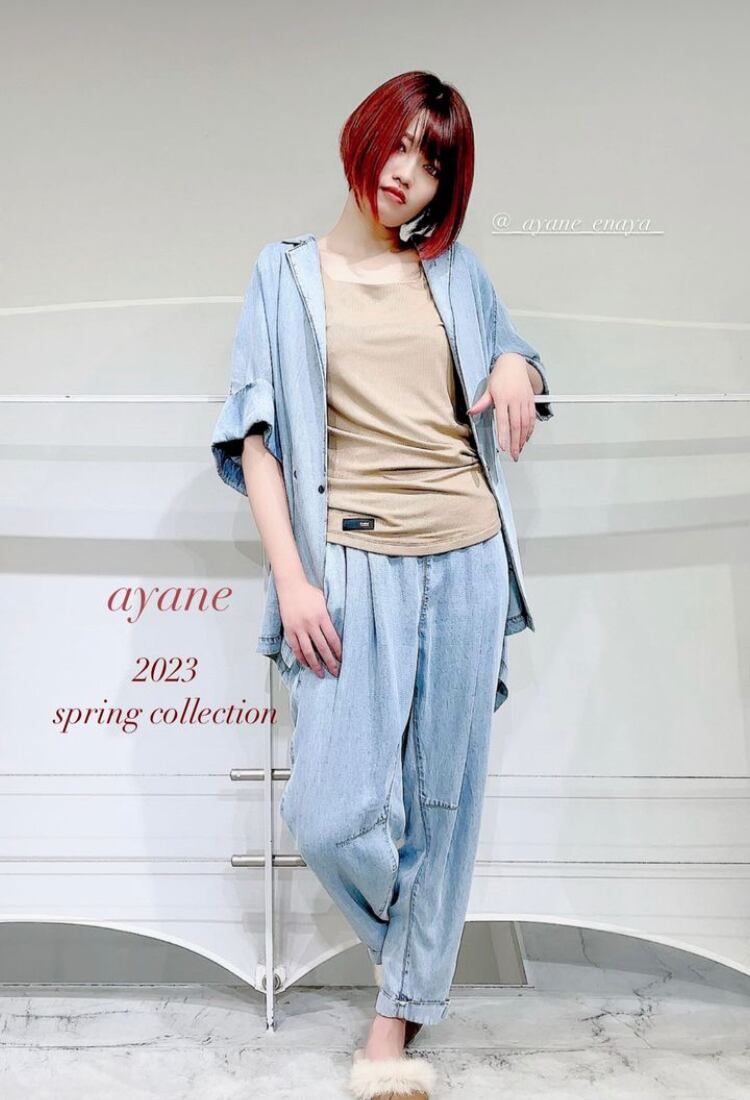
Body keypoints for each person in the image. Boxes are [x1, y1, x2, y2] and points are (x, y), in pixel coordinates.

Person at [211, 70, 553, 1100]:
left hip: (466, 554)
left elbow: (516, 357)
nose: (408, 172)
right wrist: (293, 579)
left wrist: (516, 367)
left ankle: (392, 1030)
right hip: (351, 566)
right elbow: (256, 438)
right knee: (329, 811)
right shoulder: (284, 274)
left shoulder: (455, 271)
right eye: (399, 143)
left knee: (440, 799)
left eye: (433, 161)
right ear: (363, 135)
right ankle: (418, 950)